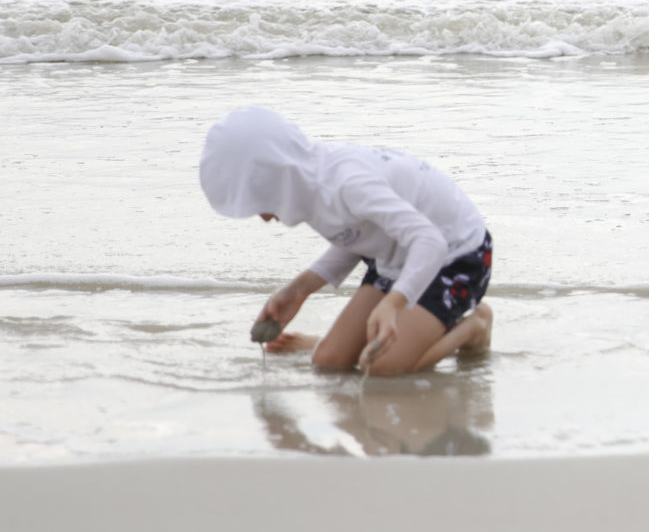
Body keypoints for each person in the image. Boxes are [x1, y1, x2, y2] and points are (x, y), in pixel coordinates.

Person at [200, 107, 493, 375]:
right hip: (397, 255)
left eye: (257, 202)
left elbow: (430, 241)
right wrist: (299, 290)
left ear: (276, 179)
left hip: (455, 257)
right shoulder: (309, 185)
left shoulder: (348, 183)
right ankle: (363, 339)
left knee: (378, 367)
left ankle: (473, 327)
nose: (263, 217)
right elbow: (355, 237)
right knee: (328, 361)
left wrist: (393, 304)